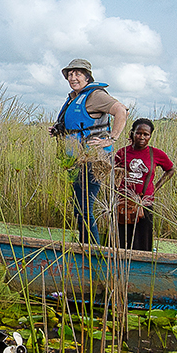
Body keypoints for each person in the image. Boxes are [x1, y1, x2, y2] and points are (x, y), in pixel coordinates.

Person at [47, 58, 128, 245]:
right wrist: (58, 130)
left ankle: (92, 249)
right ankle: (87, 244)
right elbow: (79, 124)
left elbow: (121, 111)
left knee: (84, 207)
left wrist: (112, 137)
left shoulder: (95, 95)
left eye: (78, 74)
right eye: (70, 74)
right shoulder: (74, 97)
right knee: (79, 207)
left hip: (93, 159)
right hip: (76, 159)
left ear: (87, 76)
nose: (73, 77)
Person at [111, 119, 174, 252]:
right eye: (139, 133)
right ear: (132, 133)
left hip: (145, 203)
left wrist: (155, 188)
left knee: (143, 240)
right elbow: (113, 174)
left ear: (150, 136)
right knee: (122, 240)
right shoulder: (122, 153)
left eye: (146, 134)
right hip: (123, 203)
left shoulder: (156, 154)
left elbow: (170, 170)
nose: (142, 137)